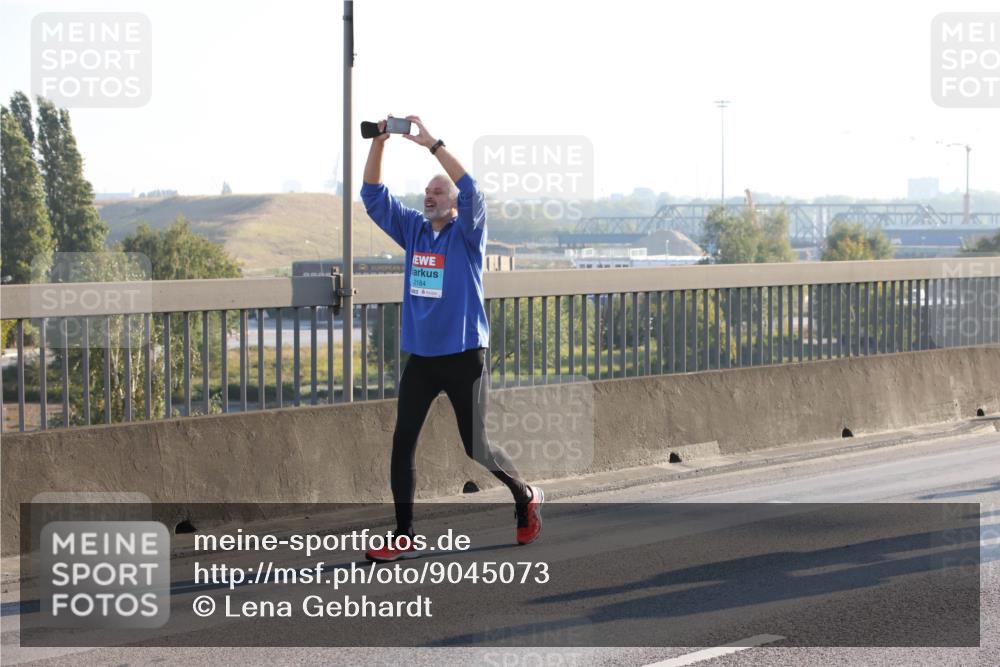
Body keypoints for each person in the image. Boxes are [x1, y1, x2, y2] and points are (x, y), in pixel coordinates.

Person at [360, 116, 542, 562]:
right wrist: (380, 143)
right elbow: (372, 197)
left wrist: (432, 144)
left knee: (476, 446)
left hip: (465, 357)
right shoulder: (414, 230)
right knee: (403, 441)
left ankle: (525, 496)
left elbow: (475, 190)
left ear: (455, 205)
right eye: (427, 190)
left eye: (439, 191)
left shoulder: (468, 234)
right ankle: (404, 535)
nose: (430, 195)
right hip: (422, 358)